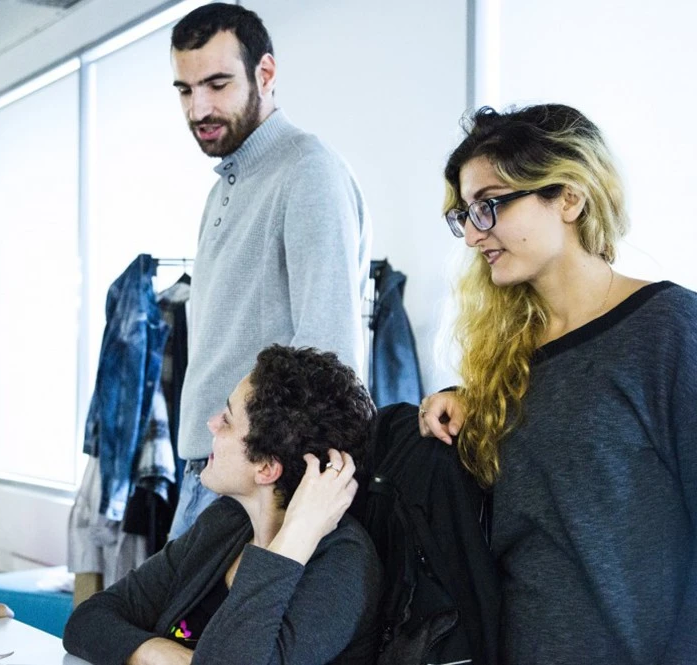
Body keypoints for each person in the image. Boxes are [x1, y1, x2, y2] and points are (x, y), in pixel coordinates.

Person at [418, 104, 697, 664]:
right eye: (466, 214)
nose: (472, 235)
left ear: (568, 198)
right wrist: (465, 402)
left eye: (490, 205)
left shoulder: (669, 329)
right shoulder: (505, 360)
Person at [168, 3, 372, 538]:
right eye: (186, 90)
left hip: (257, 485)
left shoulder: (308, 172)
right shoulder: (223, 187)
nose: (199, 108)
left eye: (217, 84)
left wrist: (288, 513)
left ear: (266, 73)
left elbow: (329, 357)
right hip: (211, 469)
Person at [64, 345, 382, 665]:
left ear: (266, 468)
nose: (212, 424)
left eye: (227, 420)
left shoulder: (342, 570)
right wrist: (159, 652)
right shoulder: (226, 521)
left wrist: (292, 541)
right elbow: (89, 619)